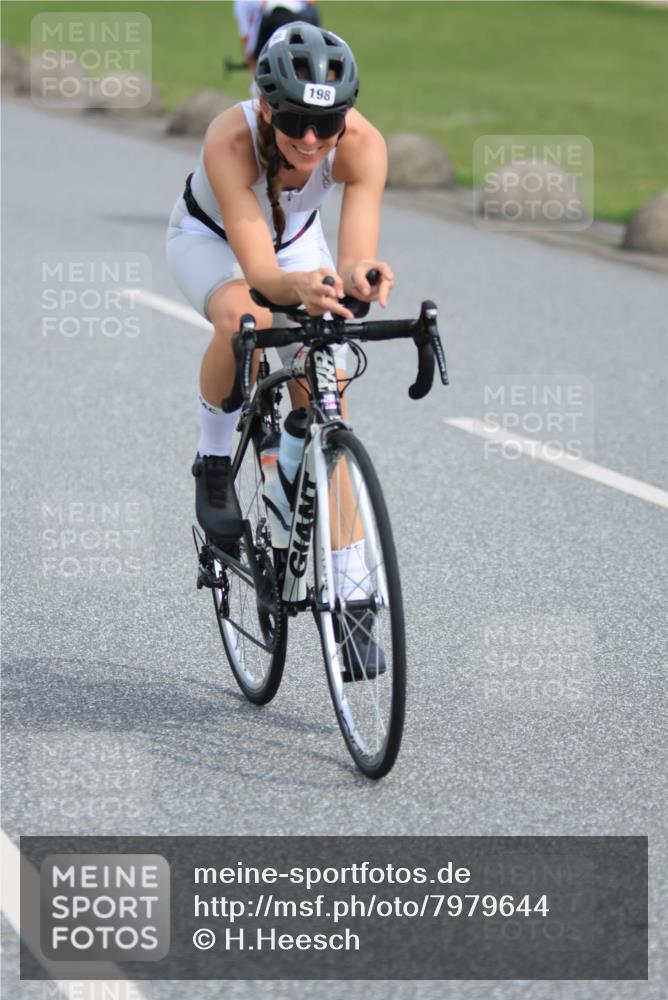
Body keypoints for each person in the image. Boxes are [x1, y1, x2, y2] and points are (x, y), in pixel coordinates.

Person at [166, 22, 393, 675]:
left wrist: (360, 278)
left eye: (329, 124)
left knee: (328, 391)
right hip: (214, 241)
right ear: (266, 105)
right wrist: (294, 289)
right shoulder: (230, 139)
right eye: (295, 119)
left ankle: (353, 605)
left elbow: (352, 255)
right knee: (246, 320)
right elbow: (261, 275)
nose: (313, 139)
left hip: (297, 247)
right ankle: (214, 460)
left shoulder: (363, 147)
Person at [234, 1, 320, 78]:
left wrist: (251, 66)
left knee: (264, 68)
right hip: (307, 15)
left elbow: (247, 39)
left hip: (272, 18)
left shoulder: (242, 3)